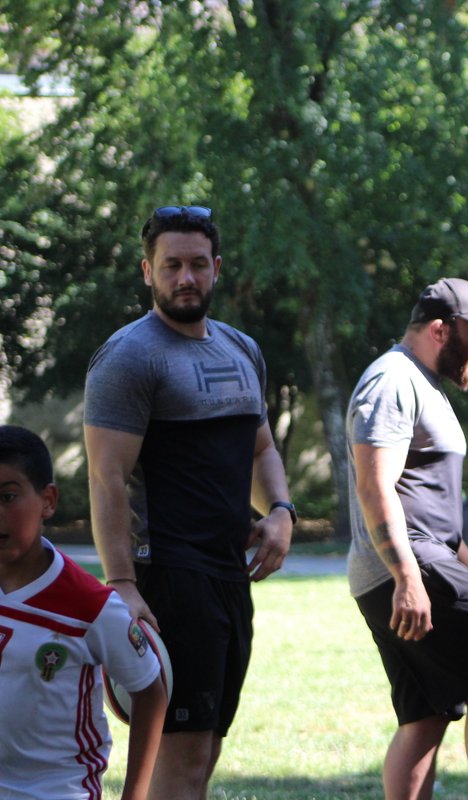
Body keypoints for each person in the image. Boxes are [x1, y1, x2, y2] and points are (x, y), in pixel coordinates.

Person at [84, 205, 295, 799]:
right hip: (167, 577)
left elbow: (260, 450)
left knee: (205, 752)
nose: (185, 278)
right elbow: (106, 477)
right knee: (176, 756)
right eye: (171, 265)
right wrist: (122, 583)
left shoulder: (241, 349)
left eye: (197, 265)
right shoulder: (129, 357)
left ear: (217, 269)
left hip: (229, 575)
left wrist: (280, 512)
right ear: (147, 271)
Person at [346, 277, 468, 800]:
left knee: (427, 713)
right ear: (441, 330)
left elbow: (430, 504)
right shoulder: (392, 380)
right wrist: (407, 576)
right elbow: (375, 486)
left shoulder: (423, 385)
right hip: (408, 564)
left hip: (418, 560)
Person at [0, 425, 167, 800]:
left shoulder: (89, 604)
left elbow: (151, 691)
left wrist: (135, 795)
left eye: (8, 496)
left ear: (48, 501)